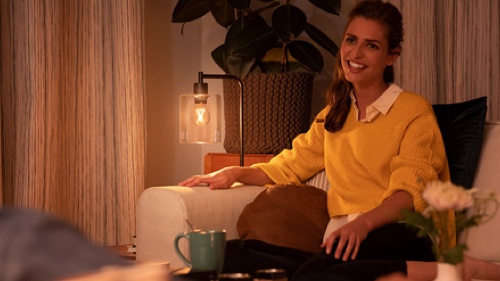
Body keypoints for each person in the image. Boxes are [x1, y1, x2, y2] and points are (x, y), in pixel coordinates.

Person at [180, 1, 500, 280]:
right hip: (345, 242)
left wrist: (362, 226)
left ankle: (455, 270)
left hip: (403, 232)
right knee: (235, 254)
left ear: (392, 56)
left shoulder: (413, 110)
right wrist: (234, 174)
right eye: (351, 40)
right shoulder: (335, 113)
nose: (356, 53)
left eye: (371, 45)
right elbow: (290, 165)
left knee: (319, 275)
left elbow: (408, 195)